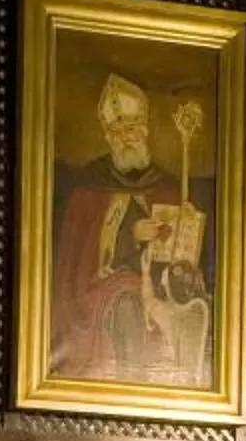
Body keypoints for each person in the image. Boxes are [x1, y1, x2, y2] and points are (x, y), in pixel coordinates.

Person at [48, 72, 213, 387]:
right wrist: (130, 234)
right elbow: (79, 261)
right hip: (106, 285)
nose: (127, 137)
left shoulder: (166, 186)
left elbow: (183, 257)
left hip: (162, 285)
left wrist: (187, 224)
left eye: (132, 129)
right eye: (119, 131)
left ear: (145, 131)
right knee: (128, 304)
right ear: (108, 138)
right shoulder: (89, 189)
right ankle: (131, 385)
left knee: (197, 309)